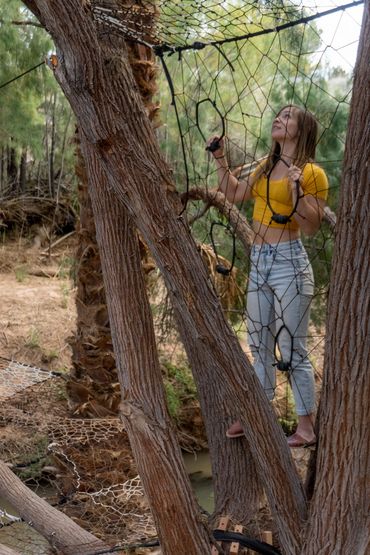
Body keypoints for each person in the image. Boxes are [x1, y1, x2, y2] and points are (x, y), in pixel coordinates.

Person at [207, 105, 329, 447]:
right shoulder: (266, 165)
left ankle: (306, 427)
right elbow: (233, 194)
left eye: (288, 116)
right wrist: (220, 158)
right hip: (260, 262)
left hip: (290, 263)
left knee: (292, 348)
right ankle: (257, 416)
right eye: (279, 114)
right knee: (258, 342)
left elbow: (311, 227)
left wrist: (298, 195)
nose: (279, 118)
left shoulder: (311, 173)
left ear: (302, 129)